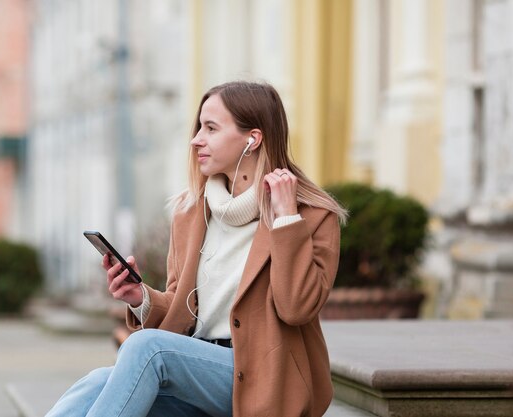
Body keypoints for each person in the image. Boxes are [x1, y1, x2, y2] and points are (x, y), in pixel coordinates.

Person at [45, 81, 347, 417]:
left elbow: (297, 308)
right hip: (198, 371)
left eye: (211, 128)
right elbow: (181, 309)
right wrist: (140, 298)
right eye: (199, 127)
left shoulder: (312, 215)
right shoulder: (191, 213)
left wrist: (287, 220)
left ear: (253, 139)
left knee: (147, 348)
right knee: (97, 382)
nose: (196, 139)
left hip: (269, 382)